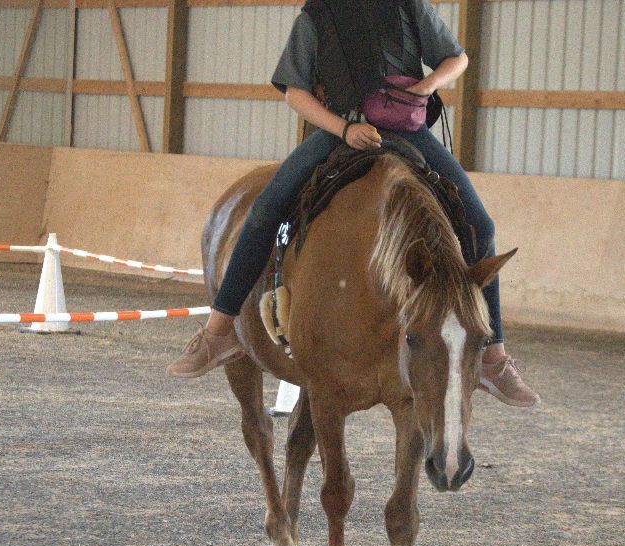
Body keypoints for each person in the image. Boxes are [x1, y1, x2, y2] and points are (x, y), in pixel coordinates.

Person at [168, 0, 538, 408]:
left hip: (408, 129)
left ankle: (493, 358)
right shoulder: (317, 15)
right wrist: (344, 129)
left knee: (481, 227)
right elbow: (296, 93)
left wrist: (424, 88)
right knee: (264, 212)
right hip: (339, 128)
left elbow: (457, 58)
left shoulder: (411, 7)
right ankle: (218, 332)